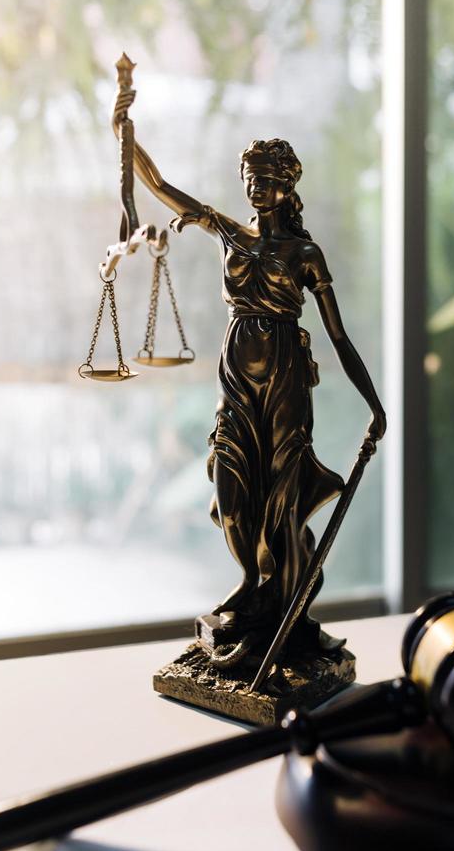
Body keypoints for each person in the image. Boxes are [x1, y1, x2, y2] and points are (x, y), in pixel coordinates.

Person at [114, 92, 386, 661]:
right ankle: (249, 582)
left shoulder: (306, 253)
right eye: (250, 177)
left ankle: (284, 613)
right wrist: (125, 134)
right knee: (232, 488)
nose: (256, 186)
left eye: (267, 177)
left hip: (285, 376)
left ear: (288, 184)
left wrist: (375, 404)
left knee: (284, 499)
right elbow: (160, 185)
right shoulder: (230, 233)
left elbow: (339, 337)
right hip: (235, 373)